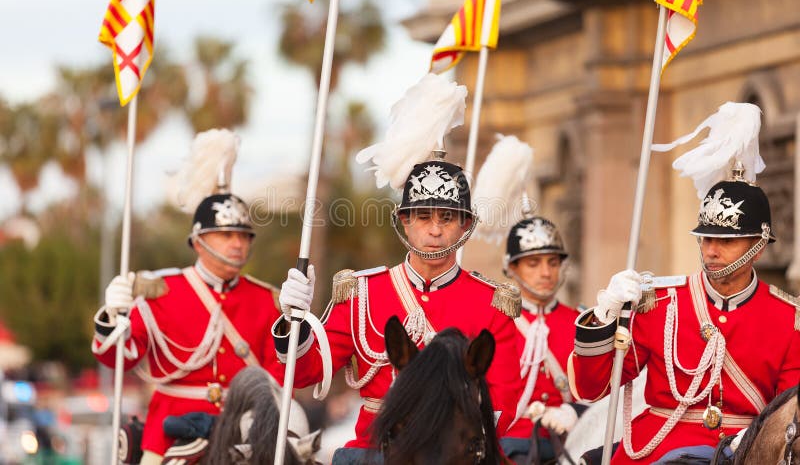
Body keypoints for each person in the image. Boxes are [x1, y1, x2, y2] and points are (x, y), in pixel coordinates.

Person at [275, 154, 525, 464]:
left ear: (466, 225)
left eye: (446, 218)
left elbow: (503, 404)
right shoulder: (360, 293)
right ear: (404, 221)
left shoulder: (492, 303)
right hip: (374, 450)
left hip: (454, 453)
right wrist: (292, 322)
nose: (434, 231)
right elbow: (303, 374)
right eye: (422, 217)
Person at [569, 163, 800, 463]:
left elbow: (789, 417)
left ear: (758, 247)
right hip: (658, 445)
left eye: (726, 241)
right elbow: (591, 388)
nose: (711, 251)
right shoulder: (661, 303)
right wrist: (604, 317)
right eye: (705, 238)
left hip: (744, 449)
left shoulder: (788, 319)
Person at [92, 167, 284, 462]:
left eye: (244, 236)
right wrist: (112, 319)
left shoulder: (266, 299)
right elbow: (122, 357)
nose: (237, 244)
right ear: (198, 241)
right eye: (226, 234)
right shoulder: (162, 290)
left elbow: (279, 378)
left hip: (245, 431)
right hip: (171, 432)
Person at [498, 215, 587, 463]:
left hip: (572, 442)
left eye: (553, 262)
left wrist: (574, 411)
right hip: (508, 445)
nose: (546, 273)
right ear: (512, 268)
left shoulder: (583, 322)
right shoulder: (496, 321)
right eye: (534, 263)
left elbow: (600, 392)